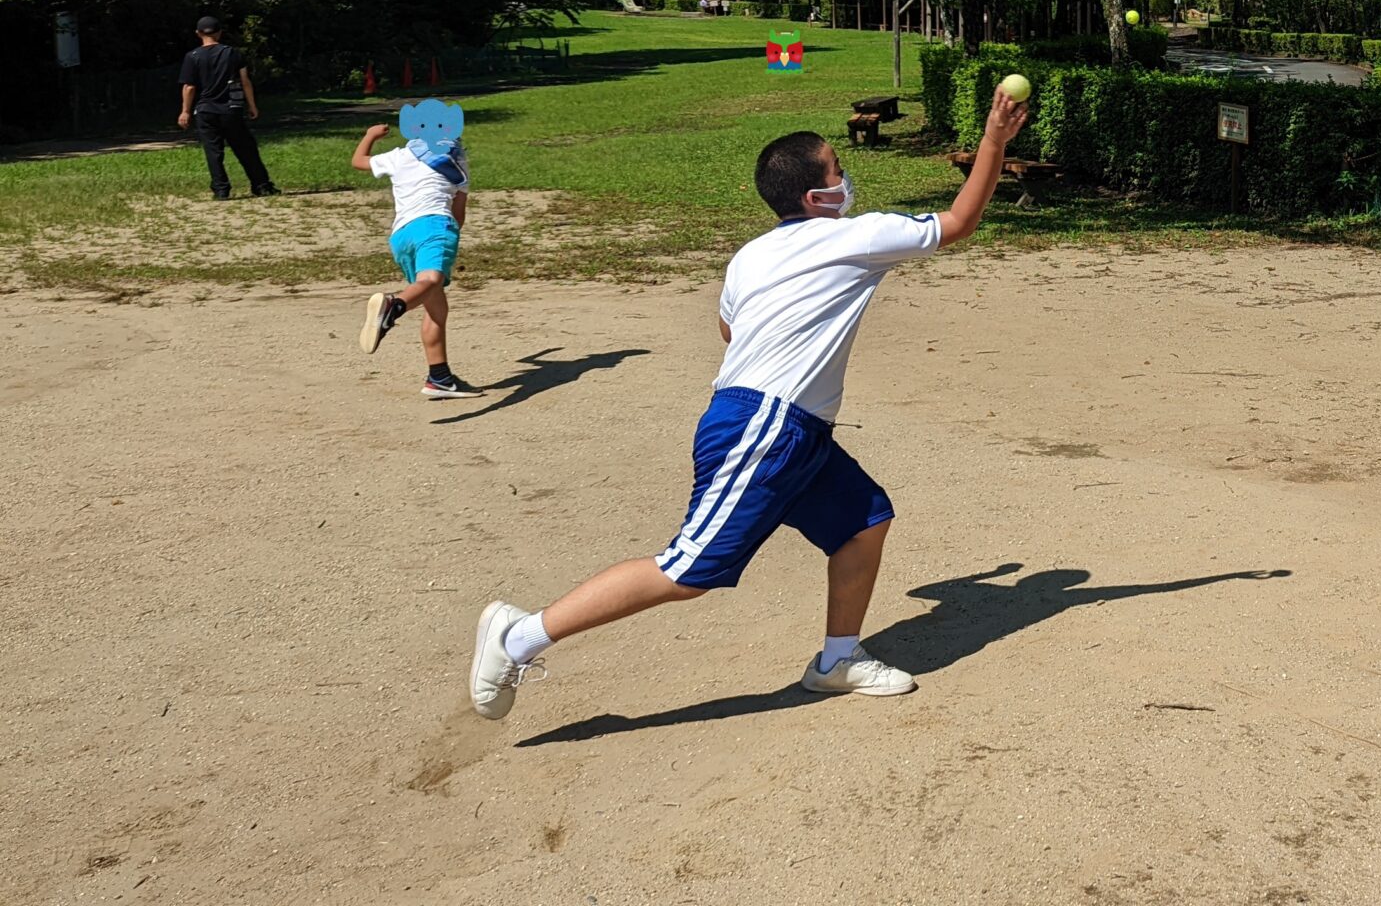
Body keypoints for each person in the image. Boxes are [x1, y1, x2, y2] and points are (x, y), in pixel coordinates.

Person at [466, 92, 1029, 720]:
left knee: (863, 520)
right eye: (839, 171)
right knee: (689, 570)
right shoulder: (857, 236)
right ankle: (519, 635)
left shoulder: (751, 255)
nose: (847, 180)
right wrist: (994, 141)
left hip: (784, 422)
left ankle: (837, 660)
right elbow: (957, 222)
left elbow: (729, 331)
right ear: (817, 198)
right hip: (766, 425)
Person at [352, 117, 480, 399]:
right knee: (432, 279)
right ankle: (393, 307)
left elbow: (359, 161)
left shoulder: (400, 156)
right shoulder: (457, 161)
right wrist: (449, 235)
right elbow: (459, 214)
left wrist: (371, 134)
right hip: (435, 226)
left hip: (401, 236)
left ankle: (440, 378)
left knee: (436, 306)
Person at [176, 16, 276, 199]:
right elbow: (245, 80)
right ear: (220, 32)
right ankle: (261, 185)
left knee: (213, 152)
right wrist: (252, 105)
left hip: (205, 110)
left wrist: (185, 111)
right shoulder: (232, 53)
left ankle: (221, 189)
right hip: (231, 108)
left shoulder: (192, 56)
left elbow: (189, 87)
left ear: (198, 34)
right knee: (246, 148)